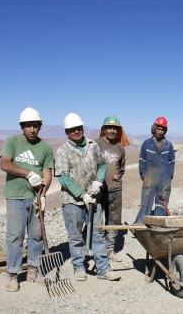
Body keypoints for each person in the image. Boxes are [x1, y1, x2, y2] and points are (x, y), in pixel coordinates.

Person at [55, 113, 121, 282]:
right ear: (67, 132)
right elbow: (63, 177)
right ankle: (79, 267)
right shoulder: (63, 151)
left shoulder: (93, 146)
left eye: (78, 128)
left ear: (83, 128)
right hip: (72, 201)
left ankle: (103, 269)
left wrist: (98, 182)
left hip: (93, 197)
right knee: (76, 235)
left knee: (97, 234)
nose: (76, 131)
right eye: (72, 129)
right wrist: (81, 194)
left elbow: (101, 165)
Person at [0, 107, 54, 292]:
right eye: (28, 126)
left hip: (35, 198)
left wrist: (44, 194)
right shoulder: (12, 141)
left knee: (36, 235)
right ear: (22, 127)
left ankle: (33, 270)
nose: (32, 129)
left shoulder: (45, 147)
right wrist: (28, 173)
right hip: (15, 196)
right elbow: (5, 164)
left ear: (40, 127)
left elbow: (47, 172)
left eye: (35, 126)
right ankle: (13, 274)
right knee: (15, 236)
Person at [95, 115, 128, 262]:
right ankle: (96, 249)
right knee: (96, 219)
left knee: (114, 220)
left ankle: (110, 249)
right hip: (98, 190)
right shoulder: (96, 144)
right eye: (109, 127)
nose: (112, 131)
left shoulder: (120, 147)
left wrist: (116, 176)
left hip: (115, 189)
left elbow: (121, 168)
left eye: (115, 128)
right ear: (104, 129)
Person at [134, 117, 175, 223]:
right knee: (146, 202)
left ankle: (159, 223)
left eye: (162, 130)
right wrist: (144, 175)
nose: (160, 132)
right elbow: (142, 161)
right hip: (149, 178)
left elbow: (172, 162)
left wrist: (169, 176)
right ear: (154, 129)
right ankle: (141, 224)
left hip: (164, 179)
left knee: (161, 203)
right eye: (158, 129)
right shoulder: (146, 144)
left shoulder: (168, 145)